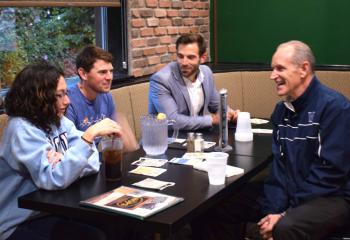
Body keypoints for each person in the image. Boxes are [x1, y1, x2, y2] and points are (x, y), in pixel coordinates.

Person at [191, 40, 350, 240]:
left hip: (331, 197)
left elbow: (329, 176)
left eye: (280, 68)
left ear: (304, 69)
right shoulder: (281, 111)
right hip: (292, 190)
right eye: (272, 68)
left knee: (284, 228)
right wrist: (272, 211)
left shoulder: (335, 108)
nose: (272, 75)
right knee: (214, 205)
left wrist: (285, 214)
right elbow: (280, 169)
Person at [0, 63, 122, 240]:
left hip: (50, 211)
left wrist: (64, 159)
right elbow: (53, 179)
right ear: (38, 97)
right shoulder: (21, 128)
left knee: (115, 224)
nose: (67, 101)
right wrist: (88, 137)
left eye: (66, 93)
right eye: (59, 95)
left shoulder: (56, 120)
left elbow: (93, 161)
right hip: (17, 221)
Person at [148, 33, 239, 130]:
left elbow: (216, 104)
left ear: (203, 58)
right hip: (164, 141)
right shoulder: (161, 80)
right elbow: (173, 121)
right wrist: (212, 120)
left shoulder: (206, 73)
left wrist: (230, 113)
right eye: (180, 56)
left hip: (195, 137)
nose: (184, 62)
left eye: (190, 57)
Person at [66, 45, 138, 151]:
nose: (109, 77)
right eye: (103, 72)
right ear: (83, 74)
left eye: (111, 71)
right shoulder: (67, 101)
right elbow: (69, 150)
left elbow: (122, 139)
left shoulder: (106, 96)